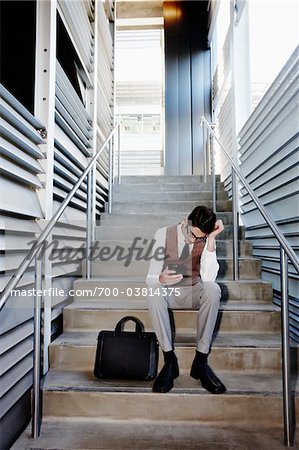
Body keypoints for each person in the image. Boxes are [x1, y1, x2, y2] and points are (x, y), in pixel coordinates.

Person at [146, 205, 226, 394]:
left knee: (213, 289)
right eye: (191, 234)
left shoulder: (206, 238)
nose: (193, 239)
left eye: (199, 237)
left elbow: (208, 279)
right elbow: (150, 277)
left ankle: (200, 361)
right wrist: (160, 278)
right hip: (170, 293)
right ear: (185, 221)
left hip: (193, 291)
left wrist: (211, 240)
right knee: (153, 290)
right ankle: (169, 360)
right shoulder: (162, 234)